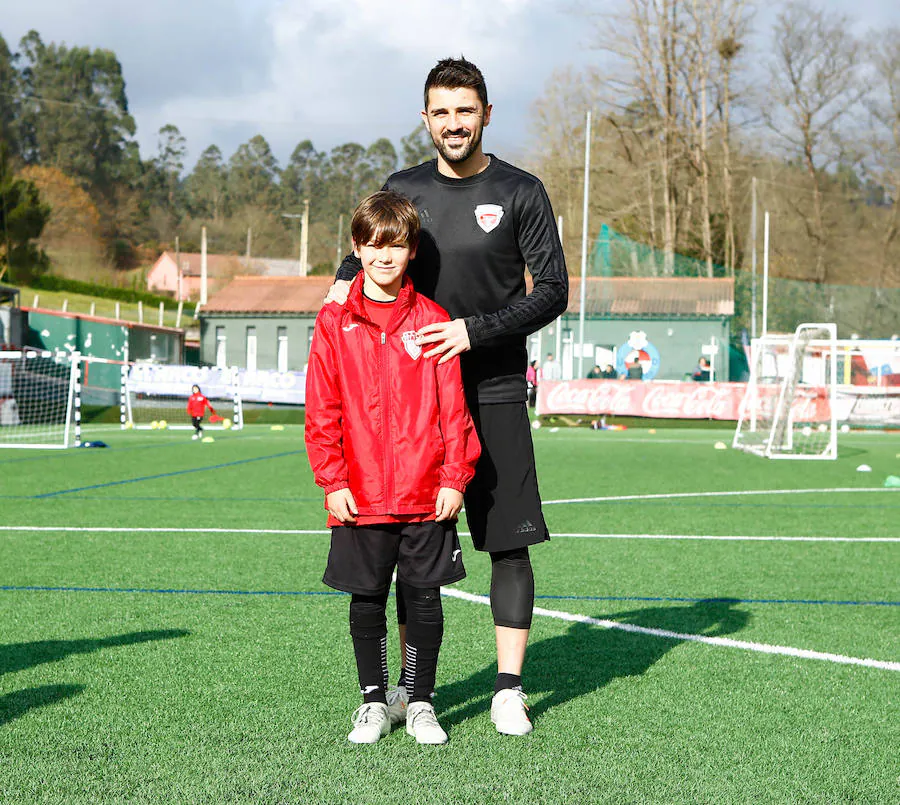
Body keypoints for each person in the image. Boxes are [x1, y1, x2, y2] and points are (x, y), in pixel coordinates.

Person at [325, 57, 568, 736]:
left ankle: (507, 689)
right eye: (441, 111)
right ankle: (409, 691)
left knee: (508, 543)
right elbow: (365, 255)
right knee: (408, 548)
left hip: (490, 389)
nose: (454, 123)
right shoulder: (404, 187)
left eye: (466, 110)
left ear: (487, 114)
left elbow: (553, 291)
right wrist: (339, 288)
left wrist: (474, 331)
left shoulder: (521, 191)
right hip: (409, 402)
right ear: (425, 119)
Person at [306, 191, 481, 745]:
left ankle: (421, 700)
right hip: (359, 492)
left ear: (411, 252)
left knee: (425, 599)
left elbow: (453, 406)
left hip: (426, 490)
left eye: (396, 246)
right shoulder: (334, 321)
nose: (385, 256)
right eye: (374, 245)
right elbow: (322, 407)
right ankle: (373, 702)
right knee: (367, 600)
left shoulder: (433, 321)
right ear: (357, 248)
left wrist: (455, 476)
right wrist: (332, 482)